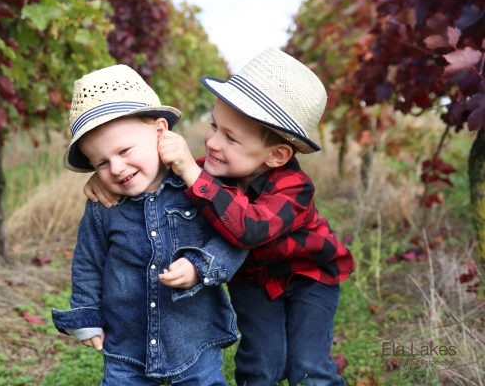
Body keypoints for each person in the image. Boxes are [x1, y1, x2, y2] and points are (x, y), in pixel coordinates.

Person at [85, 48, 355, 386]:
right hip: (253, 278)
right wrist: (106, 172)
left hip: (308, 274)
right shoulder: (214, 171)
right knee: (262, 363)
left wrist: (192, 174)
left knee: (307, 365)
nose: (212, 141)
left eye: (230, 137)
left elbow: (251, 229)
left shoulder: (294, 188)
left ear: (277, 156)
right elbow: (154, 173)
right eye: (215, 126)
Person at [51, 64, 247, 386]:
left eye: (124, 151)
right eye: (101, 162)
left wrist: (200, 266)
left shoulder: (197, 187)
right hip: (127, 341)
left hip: (193, 335)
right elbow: (89, 261)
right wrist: (86, 311)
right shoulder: (103, 207)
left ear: (159, 132)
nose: (115, 167)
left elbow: (232, 238)